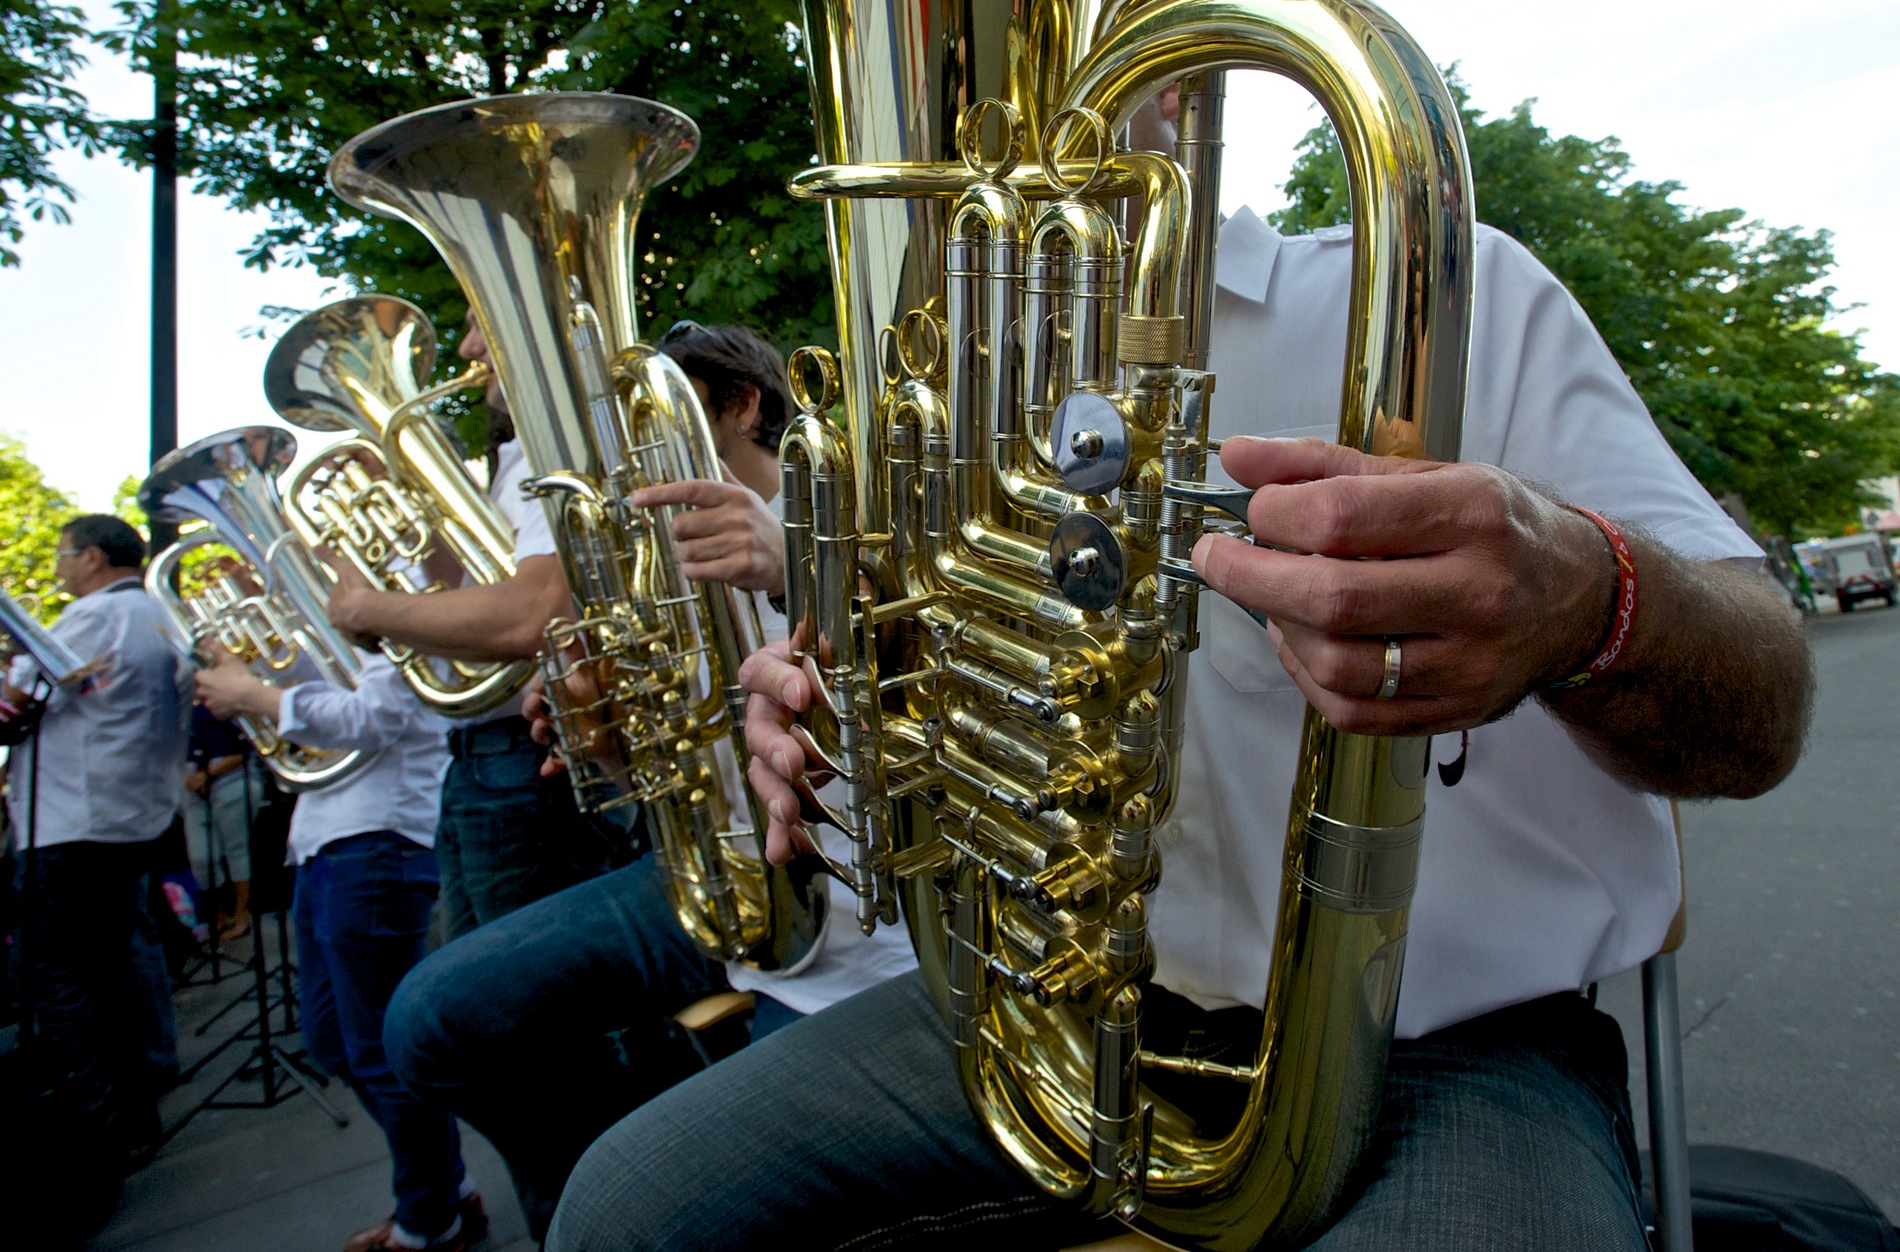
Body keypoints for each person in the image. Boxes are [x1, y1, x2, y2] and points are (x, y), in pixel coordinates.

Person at [540, 213, 1814, 1246]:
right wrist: (829, 759)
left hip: (1441, 1053)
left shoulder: (1457, 283)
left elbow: (1762, 716)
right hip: (1021, 1004)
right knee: (617, 1211)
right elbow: (936, 763)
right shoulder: (915, 399)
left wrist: (1592, 597)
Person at [382, 322, 917, 1242]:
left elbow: (929, 700)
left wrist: (802, 567)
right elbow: (667, 770)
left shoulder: (855, 505)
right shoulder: (651, 564)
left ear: (743, 406)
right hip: (713, 885)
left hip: (855, 936)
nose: (635, 460)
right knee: (428, 1025)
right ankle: (583, 1182)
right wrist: (598, 738)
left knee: (649, 1213)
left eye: (658, 428)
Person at [326, 318, 625, 938]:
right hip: (481, 761)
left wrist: (369, 611)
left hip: (528, 761)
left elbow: (536, 613)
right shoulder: (516, 459)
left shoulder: (554, 452)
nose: (466, 350)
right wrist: (410, 509)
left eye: (481, 327)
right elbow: (477, 595)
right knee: (483, 1017)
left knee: (536, 1016)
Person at [194, 647, 486, 1252]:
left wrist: (253, 695)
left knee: (378, 1051)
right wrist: (249, 667)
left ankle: (429, 1221)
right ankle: (446, 1191)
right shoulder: (336, 590)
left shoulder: (389, 583)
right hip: (330, 838)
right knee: (334, 1043)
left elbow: (375, 716)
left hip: (377, 836)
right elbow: (333, 691)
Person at [4, 515, 188, 1205]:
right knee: (110, 972)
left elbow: (12, 706)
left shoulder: (85, 621)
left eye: (61, 555)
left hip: (68, 825)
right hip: (129, 817)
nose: (57, 567)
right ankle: (134, 1111)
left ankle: (100, 1131)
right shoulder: (157, 613)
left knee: (63, 981)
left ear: (90, 557)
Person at [182, 701, 265, 939]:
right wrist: (188, 778)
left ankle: (241, 915)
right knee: (201, 857)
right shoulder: (173, 707)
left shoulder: (223, 702)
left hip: (230, 778)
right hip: (190, 784)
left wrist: (208, 775)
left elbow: (245, 748)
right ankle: (217, 916)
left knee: (236, 849)